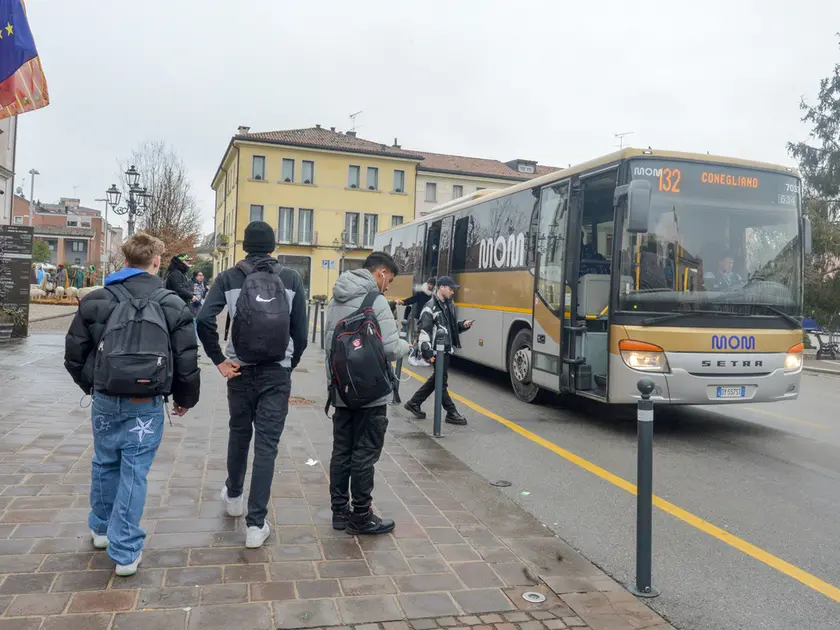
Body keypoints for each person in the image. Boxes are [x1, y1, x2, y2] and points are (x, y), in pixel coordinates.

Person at [63, 233, 199, 577]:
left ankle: (101, 529)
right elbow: (186, 358)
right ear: (156, 262)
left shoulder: (97, 300)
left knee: (105, 461)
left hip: (107, 398)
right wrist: (185, 398)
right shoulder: (172, 303)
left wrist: (93, 385)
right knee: (133, 471)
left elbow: (73, 354)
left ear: (124, 262)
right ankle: (125, 551)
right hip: (146, 401)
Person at [197, 221, 308, 548]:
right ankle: (256, 525)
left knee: (239, 431)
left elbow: (204, 319)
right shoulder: (290, 278)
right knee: (267, 446)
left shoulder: (228, 277)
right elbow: (300, 334)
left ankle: (234, 497)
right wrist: (290, 365)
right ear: (273, 246)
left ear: (245, 246)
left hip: (239, 371)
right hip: (277, 371)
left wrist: (219, 360)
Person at [324, 251, 409, 535]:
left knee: (342, 451)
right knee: (365, 453)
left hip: (341, 389)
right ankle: (361, 514)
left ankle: (339, 512)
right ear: (380, 273)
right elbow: (391, 349)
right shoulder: (377, 301)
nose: (388, 286)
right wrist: (407, 344)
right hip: (371, 392)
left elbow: (329, 345)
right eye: (389, 280)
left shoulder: (336, 298)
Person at [403, 276, 473, 426]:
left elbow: (449, 327)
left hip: (445, 348)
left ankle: (414, 402)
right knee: (441, 381)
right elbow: (425, 330)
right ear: (441, 287)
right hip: (437, 350)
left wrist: (462, 325)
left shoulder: (448, 305)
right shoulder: (431, 306)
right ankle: (451, 412)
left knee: (438, 379)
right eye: (450, 288)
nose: (452, 292)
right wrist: (427, 350)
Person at [396, 277, 435, 367]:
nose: (430, 286)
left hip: (429, 319)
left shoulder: (433, 296)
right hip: (419, 318)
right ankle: (412, 356)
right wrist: (403, 302)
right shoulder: (421, 293)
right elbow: (412, 299)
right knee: (418, 339)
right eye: (429, 284)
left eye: (432, 284)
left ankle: (421, 358)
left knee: (424, 339)